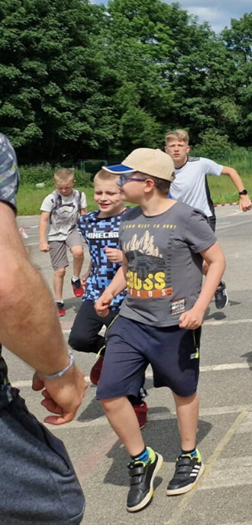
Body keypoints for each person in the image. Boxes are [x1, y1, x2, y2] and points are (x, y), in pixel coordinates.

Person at [96, 148, 226, 512]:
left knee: (183, 391)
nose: (119, 184)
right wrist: (110, 293)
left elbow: (216, 261)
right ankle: (142, 459)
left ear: (148, 184)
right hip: (132, 319)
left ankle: (188, 454)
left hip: (176, 321)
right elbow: (131, 266)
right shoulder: (129, 220)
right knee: (109, 392)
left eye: (126, 178)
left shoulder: (186, 217)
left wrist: (200, 307)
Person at [0, 132, 88, 525]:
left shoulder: (78, 198)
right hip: (50, 239)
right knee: (56, 506)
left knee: (74, 254)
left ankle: (74, 281)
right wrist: (58, 369)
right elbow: (6, 284)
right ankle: (58, 294)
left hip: (69, 238)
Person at [70, 170, 148, 427]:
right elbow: (83, 243)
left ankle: (136, 399)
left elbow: (147, 253)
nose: (103, 198)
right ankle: (105, 353)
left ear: (123, 193)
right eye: (99, 193)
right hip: (94, 292)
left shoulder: (134, 218)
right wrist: (83, 269)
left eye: (110, 193)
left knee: (127, 353)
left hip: (126, 296)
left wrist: (125, 256)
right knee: (79, 338)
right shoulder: (88, 221)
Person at [165, 129, 251, 309]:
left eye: (180, 145)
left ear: (188, 148)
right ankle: (183, 299)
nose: (176, 149)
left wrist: (243, 195)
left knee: (206, 263)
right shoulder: (163, 170)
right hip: (176, 219)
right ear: (166, 149)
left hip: (202, 217)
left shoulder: (200, 164)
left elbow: (231, 171)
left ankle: (217, 286)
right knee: (180, 262)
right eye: (172, 145)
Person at [39, 168, 87, 317]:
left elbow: (84, 215)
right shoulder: (51, 198)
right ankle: (59, 301)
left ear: (73, 182)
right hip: (55, 235)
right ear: (55, 184)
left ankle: (75, 279)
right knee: (60, 271)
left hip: (72, 230)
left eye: (67, 187)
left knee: (78, 251)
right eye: (60, 187)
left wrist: (87, 234)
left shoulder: (79, 195)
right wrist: (42, 241)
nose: (64, 190)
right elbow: (44, 220)